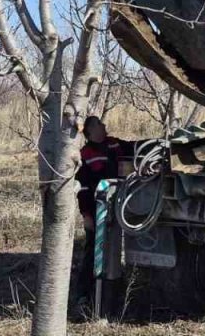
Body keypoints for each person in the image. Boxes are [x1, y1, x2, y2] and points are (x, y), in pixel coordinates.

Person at [75, 115, 133, 300]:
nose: (104, 125)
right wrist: (86, 215)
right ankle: (85, 292)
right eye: (100, 124)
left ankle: (113, 288)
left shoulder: (114, 144)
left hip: (118, 204)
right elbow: (82, 188)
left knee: (114, 247)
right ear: (91, 131)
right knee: (93, 249)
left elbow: (133, 147)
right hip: (96, 208)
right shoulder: (85, 154)